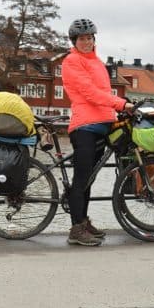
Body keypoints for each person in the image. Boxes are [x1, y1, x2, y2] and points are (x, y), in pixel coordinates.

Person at [61, 18, 132, 246]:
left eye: (90, 38)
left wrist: (117, 110)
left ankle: (83, 221)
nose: (87, 42)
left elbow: (103, 93)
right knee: (81, 179)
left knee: (89, 179)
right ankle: (75, 229)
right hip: (84, 127)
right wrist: (120, 104)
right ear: (74, 41)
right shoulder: (72, 61)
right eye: (82, 38)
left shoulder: (97, 62)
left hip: (102, 125)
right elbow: (89, 93)